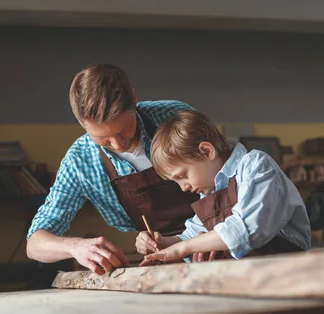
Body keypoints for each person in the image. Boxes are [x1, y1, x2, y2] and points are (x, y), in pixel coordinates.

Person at [26, 63, 202, 275]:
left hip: (223, 236)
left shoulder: (173, 116)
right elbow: (35, 243)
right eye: (102, 139)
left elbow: (228, 178)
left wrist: (209, 234)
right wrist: (75, 247)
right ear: (81, 122)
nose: (118, 145)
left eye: (123, 131)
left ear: (134, 99)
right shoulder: (80, 161)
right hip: (170, 261)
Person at [136, 109, 311, 265]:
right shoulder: (209, 193)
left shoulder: (255, 165)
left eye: (182, 176)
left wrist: (184, 248)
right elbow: (189, 237)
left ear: (206, 151)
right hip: (246, 277)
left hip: (287, 271)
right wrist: (161, 243)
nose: (183, 188)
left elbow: (247, 228)